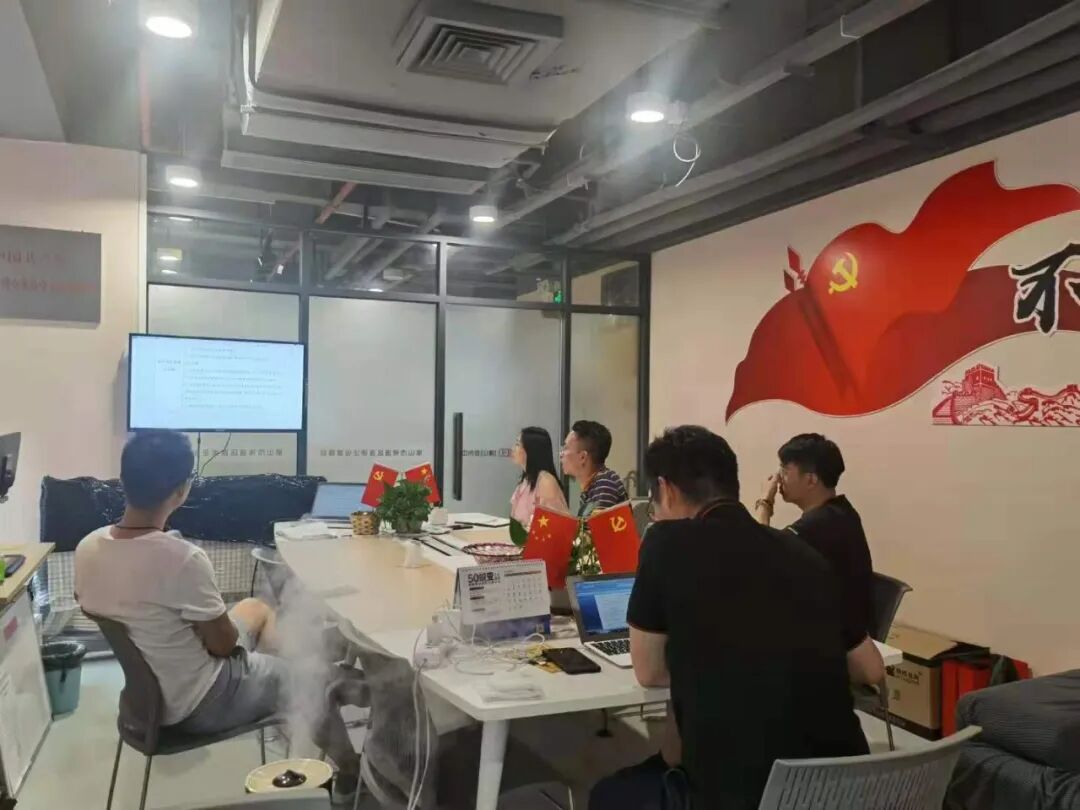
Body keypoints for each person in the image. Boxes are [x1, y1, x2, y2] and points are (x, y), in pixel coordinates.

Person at [74, 431, 366, 806]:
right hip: (200, 702)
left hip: (142, 704)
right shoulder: (180, 558)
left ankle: (298, 672)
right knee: (309, 681)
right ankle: (351, 771)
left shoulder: (88, 547)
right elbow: (223, 645)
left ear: (123, 480)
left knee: (254, 608)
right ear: (182, 490)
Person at [590, 426, 867, 810]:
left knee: (607, 794)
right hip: (847, 789)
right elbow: (865, 666)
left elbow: (649, 672)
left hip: (743, 794)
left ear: (666, 489)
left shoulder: (666, 543)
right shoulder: (806, 555)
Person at [753, 433, 884, 686]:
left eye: (785, 471)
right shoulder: (841, 512)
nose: (778, 479)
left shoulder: (821, 525)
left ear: (811, 480)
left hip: (835, 651)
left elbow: (759, 553)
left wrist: (764, 502)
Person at [560, 420, 628, 516]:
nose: (561, 454)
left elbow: (599, 525)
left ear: (582, 457)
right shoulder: (592, 486)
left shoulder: (605, 484)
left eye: (566, 448)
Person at [509, 426, 569, 528]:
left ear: (531, 450)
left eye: (518, 444)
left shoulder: (545, 481)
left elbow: (553, 524)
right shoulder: (526, 480)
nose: (513, 449)